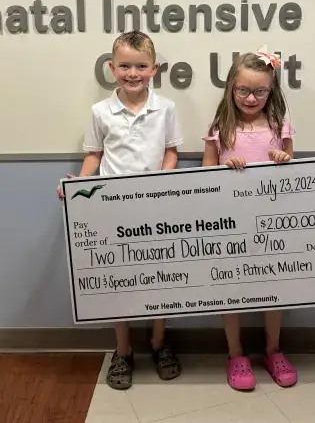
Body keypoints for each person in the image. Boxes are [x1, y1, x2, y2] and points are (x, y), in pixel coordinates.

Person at [58, 31, 184, 390]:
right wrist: (79, 184)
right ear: (112, 69)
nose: (133, 73)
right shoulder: (100, 112)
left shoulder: (166, 108)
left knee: (159, 277)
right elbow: (94, 155)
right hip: (113, 211)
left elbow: (171, 151)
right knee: (119, 280)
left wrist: (164, 179)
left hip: (155, 209)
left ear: (154, 69)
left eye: (141, 66)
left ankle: (159, 341)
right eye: (125, 66)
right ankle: (123, 349)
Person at [201, 46, 298, 391]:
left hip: (271, 223)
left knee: (274, 288)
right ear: (231, 87)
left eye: (260, 91)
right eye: (243, 89)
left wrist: (281, 159)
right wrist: (224, 167)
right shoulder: (220, 127)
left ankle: (273, 350)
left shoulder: (279, 125)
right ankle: (236, 354)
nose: (251, 98)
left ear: (271, 91)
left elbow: (293, 172)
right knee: (232, 290)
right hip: (230, 224)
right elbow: (204, 176)